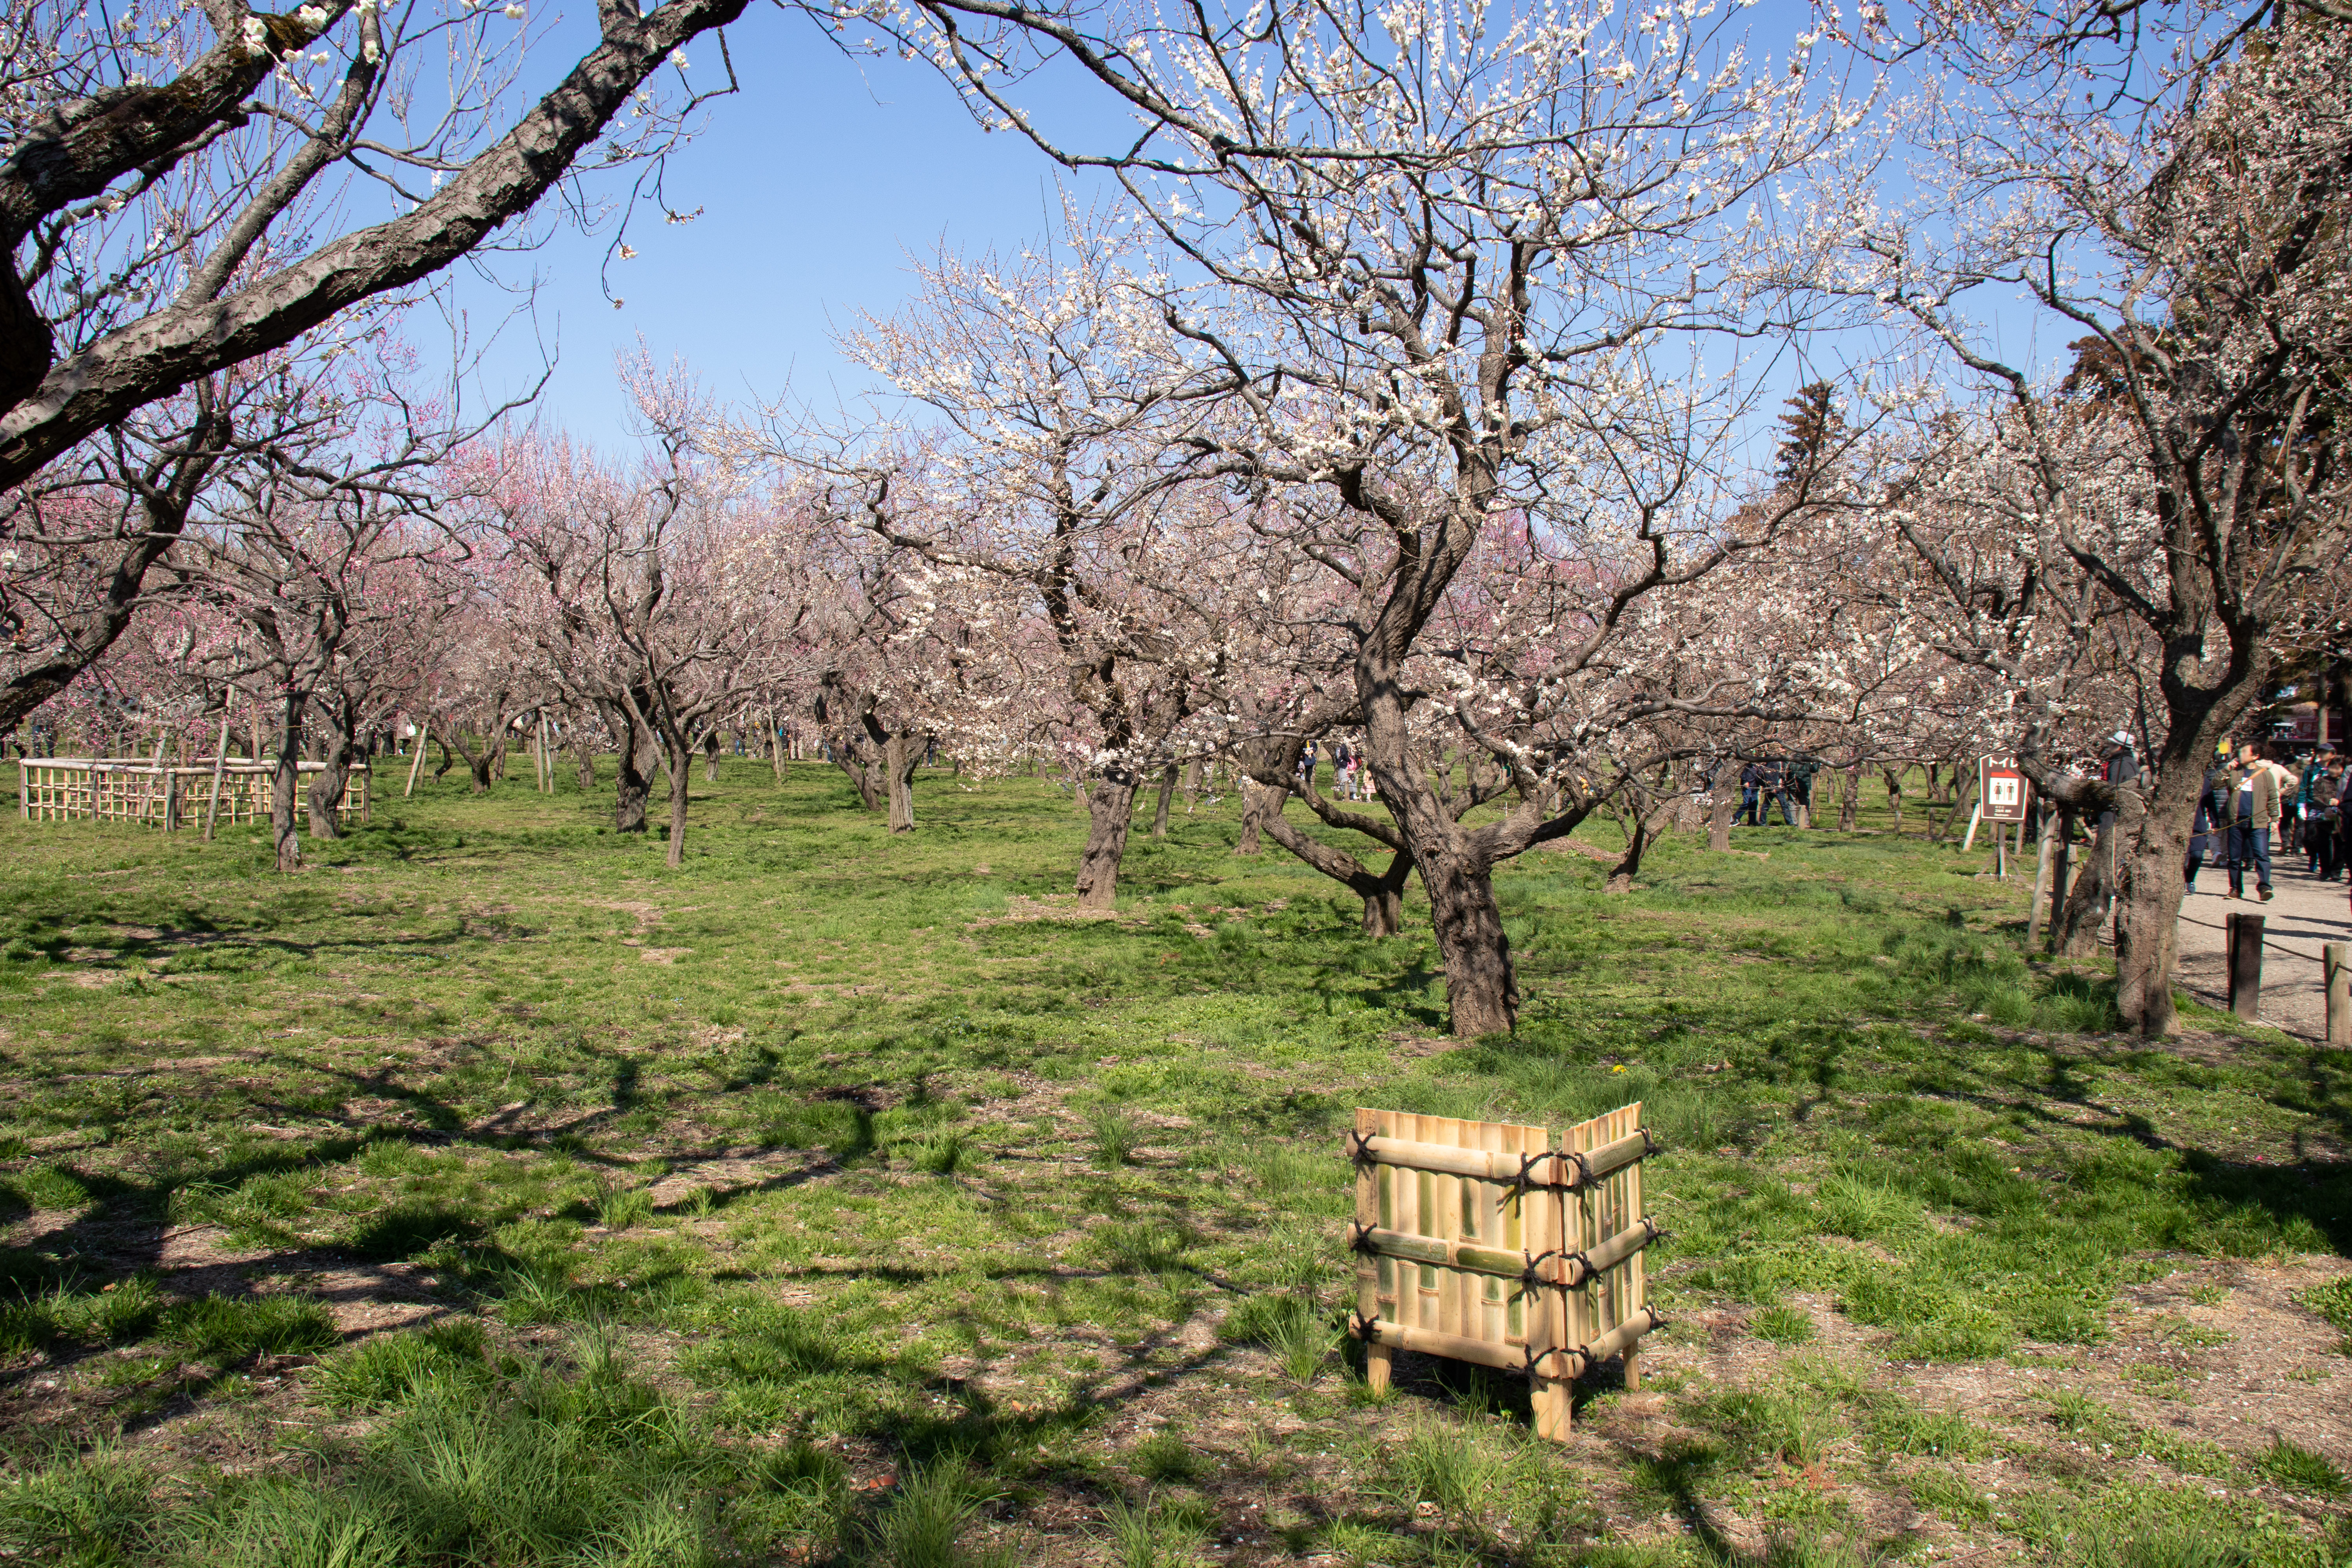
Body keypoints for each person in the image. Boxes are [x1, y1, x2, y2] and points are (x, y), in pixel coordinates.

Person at [2225, 742, 2281, 901]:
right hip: (2236, 821)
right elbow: (2216, 784)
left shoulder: (2265, 774)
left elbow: (2272, 798)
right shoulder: (2234, 772)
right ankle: (2235, 888)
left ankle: (2264, 888)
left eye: (2244, 751)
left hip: (2258, 822)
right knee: (2235, 858)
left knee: (2262, 855)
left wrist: (2275, 819)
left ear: (2255, 756)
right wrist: (2226, 769)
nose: (2240, 754)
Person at [1738, 759, 1764, 826]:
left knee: (1754, 804)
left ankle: (1752, 821)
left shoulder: (1760, 767)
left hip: (1755, 787)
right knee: (1747, 802)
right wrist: (1745, 781)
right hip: (1748, 786)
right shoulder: (1748, 766)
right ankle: (1736, 817)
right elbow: (1743, 774)